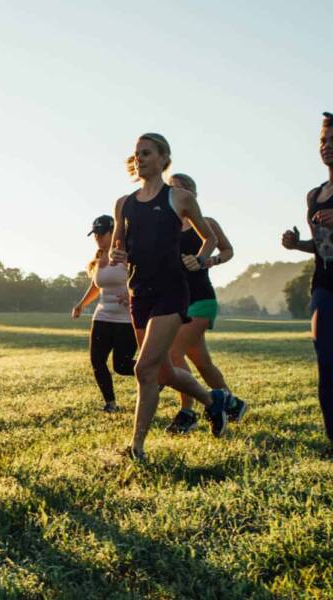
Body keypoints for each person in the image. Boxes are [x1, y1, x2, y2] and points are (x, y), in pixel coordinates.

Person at [110, 133, 231, 461]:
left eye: (146, 153)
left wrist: (201, 259)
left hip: (172, 292)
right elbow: (117, 244)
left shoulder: (179, 198)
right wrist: (117, 255)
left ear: (164, 159)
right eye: (136, 154)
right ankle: (213, 402)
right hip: (140, 293)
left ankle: (136, 447)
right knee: (162, 372)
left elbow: (209, 238)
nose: (140, 159)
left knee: (144, 368)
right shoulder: (125, 203)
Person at [165, 173, 248, 434]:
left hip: (202, 300)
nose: (176, 195)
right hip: (176, 301)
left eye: (181, 190)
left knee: (173, 353)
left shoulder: (206, 223)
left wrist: (209, 260)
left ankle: (187, 412)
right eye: (171, 190)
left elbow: (227, 250)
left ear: (192, 194)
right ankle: (233, 403)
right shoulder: (165, 228)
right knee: (202, 362)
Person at [282, 112, 333, 459]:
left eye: (332, 141)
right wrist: (295, 245)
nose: (326, 147)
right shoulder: (315, 195)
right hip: (325, 284)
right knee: (326, 360)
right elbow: (322, 244)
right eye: (323, 141)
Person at [72, 215, 136, 413]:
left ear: (114, 232)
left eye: (102, 233)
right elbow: (96, 286)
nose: (97, 237)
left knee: (122, 365)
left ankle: (160, 372)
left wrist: (132, 296)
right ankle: (110, 404)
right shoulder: (100, 258)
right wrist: (82, 304)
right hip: (102, 316)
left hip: (127, 319)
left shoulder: (127, 255)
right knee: (97, 361)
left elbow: (144, 279)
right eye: (95, 234)